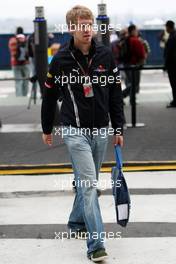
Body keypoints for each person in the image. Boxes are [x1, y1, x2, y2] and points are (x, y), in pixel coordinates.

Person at [41, 5, 124, 262]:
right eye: (82, 25)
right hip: (74, 131)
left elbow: (115, 95)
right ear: (71, 28)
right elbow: (50, 96)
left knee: (87, 182)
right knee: (89, 186)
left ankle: (76, 223)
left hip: (100, 131)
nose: (88, 30)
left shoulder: (106, 56)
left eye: (90, 25)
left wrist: (118, 127)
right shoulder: (61, 59)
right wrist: (47, 128)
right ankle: (96, 244)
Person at [122, 24, 146, 102]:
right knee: (134, 83)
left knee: (130, 82)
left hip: (126, 63)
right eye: (136, 30)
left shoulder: (126, 39)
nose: (137, 32)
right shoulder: (136, 40)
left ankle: (132, 99)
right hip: (134, 64)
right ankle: (120, 96)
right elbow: (141, 53)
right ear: (132, 31)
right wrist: (142, 62)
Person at [8, 27, 30, 96]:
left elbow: (12, 52)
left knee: (18, 81)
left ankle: (19, 97)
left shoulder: (12, 40)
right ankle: (24, 96)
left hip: (15, 63)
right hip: (26, 63)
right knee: (26, 81)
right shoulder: (26, 39)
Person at [164, 20, 176, 108]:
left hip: (172, 65)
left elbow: (169, 52)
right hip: (173, 63)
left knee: (174, 83)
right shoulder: (173, 35)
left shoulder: (172, 37)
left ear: (168, 27)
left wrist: (166, 64)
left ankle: (175, 101)